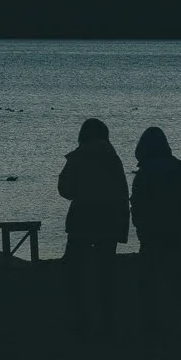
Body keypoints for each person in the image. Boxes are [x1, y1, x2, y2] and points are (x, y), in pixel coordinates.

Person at [129, 126, 181, 329]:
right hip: (180, 235)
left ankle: (153, 326)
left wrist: (140, 226)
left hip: (151, 236)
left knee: (148, 285)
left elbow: (136, 205)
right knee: (179, 281)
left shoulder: (144, 174)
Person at [58, 118, 129, 332]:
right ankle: (108, 319)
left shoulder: (77, 158)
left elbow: (65, 190)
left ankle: (81, 319)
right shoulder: (113, 158)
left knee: (75, 272)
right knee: (106, 272)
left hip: (82, 218)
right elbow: (123, 193)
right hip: (109, 220)